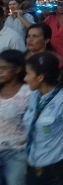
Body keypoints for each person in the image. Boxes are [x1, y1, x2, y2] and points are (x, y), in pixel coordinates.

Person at [23, 52, 63, 185]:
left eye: (28, 74)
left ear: (40, 77)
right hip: (33, 169)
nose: (25, 78)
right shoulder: (33, 98)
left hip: (55, 173)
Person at [0, 50, 30, 185]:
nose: (0, 72)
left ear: (17, 69)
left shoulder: (28, 93)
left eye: (4, 68)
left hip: (17, 153)